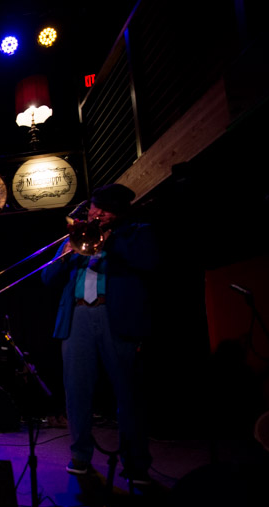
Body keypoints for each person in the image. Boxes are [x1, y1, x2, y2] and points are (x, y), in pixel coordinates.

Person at [41, 184, 158, 484]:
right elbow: (47, 277)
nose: (96, 214)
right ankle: (80, 456)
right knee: (76, 391)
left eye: (104, 211)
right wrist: (67, 253)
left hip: (115, 317)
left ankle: (136, 464)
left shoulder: (135, 232)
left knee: (127, 393)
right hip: (77, 316)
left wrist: (109, 243)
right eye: (94, 207)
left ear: (117, 214)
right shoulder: (75, 234)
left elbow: (148, 263)